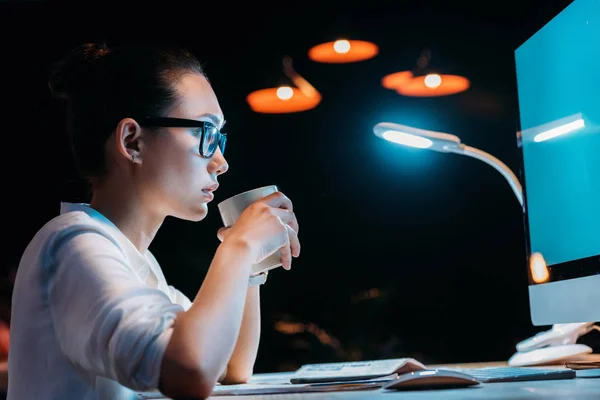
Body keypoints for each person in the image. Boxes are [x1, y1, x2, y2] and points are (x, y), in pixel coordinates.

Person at [8, 42, 300, 400]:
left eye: (220, 137)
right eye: (204, 133)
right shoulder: (74, 243)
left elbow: (229, 365)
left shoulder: (136, 260)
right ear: (132, 142)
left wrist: (251, 267)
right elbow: (190, 370)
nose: (221, 161)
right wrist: (240, 245)